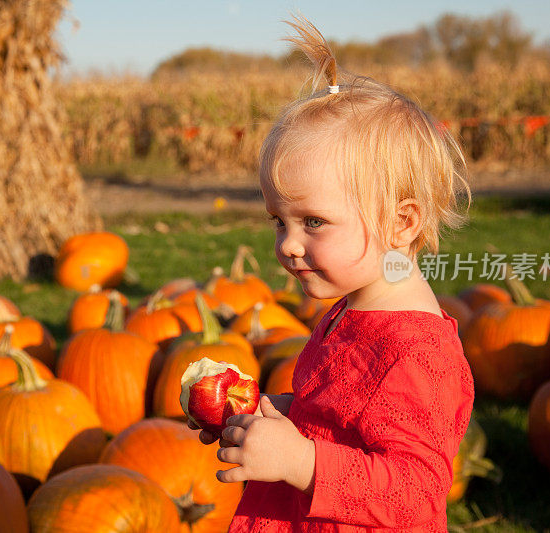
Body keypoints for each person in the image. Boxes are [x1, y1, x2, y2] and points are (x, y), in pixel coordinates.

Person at [190, 14, 475, 532]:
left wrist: (300, 462)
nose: (288, 245)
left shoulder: (417, 354)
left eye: (313, 221)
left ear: (400, 222)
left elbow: (416, 494)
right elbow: (343, 416)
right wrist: (271, 413)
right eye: (279, 221)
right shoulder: (354, 308)